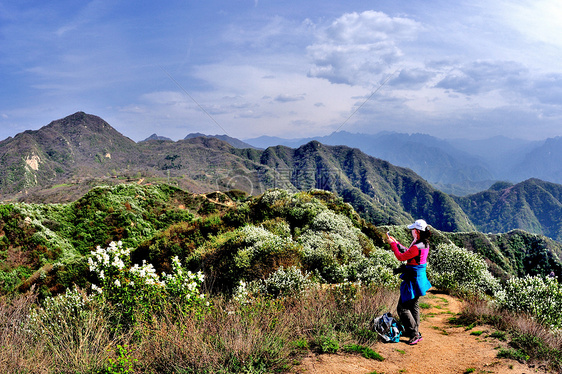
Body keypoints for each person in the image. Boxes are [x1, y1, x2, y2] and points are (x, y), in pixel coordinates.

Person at [385, 219, 432, 345]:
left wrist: (393, 245)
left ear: (417, 231)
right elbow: (409, 253)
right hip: (419, 277)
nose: (411, 232)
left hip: (412, 278)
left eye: (413, 230)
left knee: (403, 308)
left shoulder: (417, 246)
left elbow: (401, 257)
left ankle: (414, 334)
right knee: (414, 305)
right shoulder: (424, 244)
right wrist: (397, 243)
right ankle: (414, 330)